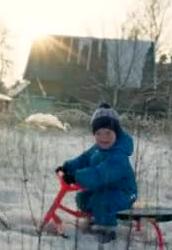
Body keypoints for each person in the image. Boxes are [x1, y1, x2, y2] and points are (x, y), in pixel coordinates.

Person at [56, 103, 137, 243]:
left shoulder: (119, 156)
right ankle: (96, 217)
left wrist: (76, 176)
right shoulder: (98, 149)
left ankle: (107, 230)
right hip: (106, 188)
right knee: (83, 198)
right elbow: (84, 159)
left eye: (108, 133)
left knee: (103, 200)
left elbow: (99, 174)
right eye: (98, 133)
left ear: (116, 133)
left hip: (125, 193)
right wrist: (67, 167)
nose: (103, 137)